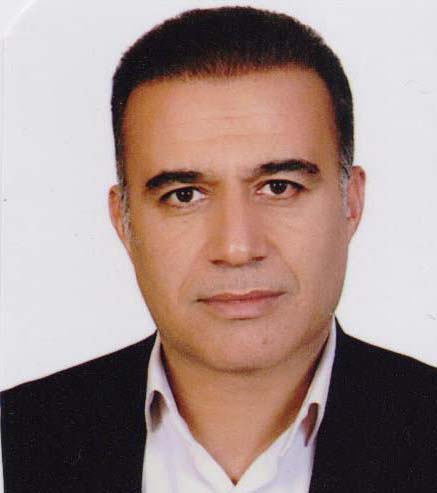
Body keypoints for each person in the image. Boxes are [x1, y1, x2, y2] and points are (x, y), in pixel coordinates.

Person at [1, 6, 436, 492]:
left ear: (351, 203)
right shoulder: (17, 436)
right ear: (123, 221)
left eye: (279, 187)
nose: (237, 247)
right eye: (184, 195)